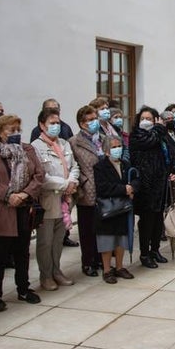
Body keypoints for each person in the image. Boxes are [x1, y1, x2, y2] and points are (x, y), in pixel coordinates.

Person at [0, 114, 45, 310]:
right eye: (11, 130)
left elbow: (39, 175)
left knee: (22, 253)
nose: (15, 133)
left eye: (18, 130)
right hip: (2, 210)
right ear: (0, 132)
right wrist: (8, 195)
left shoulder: (27, 149)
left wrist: (24, 194)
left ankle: (23, 288)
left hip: (23, 208)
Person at [30, 107, 79, 289]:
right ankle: (46, 275)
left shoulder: (64, 144)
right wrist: (65, 184)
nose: (56, 126)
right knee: (45, 241)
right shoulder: (36, 147)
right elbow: (41, 176)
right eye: (52, 123)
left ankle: (56, 271)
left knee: (58, 240)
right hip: (48, 200)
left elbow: (75, 166)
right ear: (42, 125)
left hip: (65, 200)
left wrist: (72, 181)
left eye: (58, 122)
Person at [128, 106, 175, 267]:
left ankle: (155, 249)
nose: (146, 121)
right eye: (143, 118)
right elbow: (150, 141)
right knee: (147, 220)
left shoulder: (160, 136)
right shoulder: (137, 135)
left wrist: (173, 172)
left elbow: (169, 153)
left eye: (149, 119)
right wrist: (159, 128)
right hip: (144, 185)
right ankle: (144, 253)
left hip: (160, 183)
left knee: (158, 219)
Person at [93, 136, 135, 282]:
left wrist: (132, 188)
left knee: (121, 239)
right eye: (114, 147)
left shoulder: (125, 164)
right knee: (107, 240)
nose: (118, 149)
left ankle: (119, 267)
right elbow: (102, 187)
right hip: (108, 208)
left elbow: (135, 178)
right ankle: (107, 270)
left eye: (119, 146)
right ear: (106, 151)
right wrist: (124, 189)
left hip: (123, 207)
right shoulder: (100, 167)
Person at [72, 105, 105, 277]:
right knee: (87, 229)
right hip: (87, 189)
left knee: (101, 227)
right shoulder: (74, 142)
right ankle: (88, 261)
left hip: (103, 187)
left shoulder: (102, 139)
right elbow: (73, 166)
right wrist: (81, 183)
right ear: (82, 123)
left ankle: (100, 258)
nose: (94, 122)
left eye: (95, 118)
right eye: (90, 120)